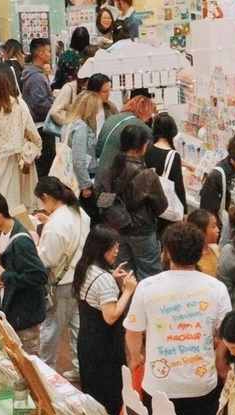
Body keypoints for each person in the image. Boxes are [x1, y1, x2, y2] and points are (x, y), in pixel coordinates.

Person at [124, 222, 232, 415]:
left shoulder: (147, 287)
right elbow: (227, 335)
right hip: (201, 382)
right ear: (200, 252)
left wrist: (136, 358)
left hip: (158, 382)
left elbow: (133, 332)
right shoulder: (216, 288)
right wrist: (219, 364)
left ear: (167, 252)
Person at [72, 225, 137, 415]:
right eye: (113, 247)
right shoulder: (104, 280)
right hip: (105, 348)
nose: (116, 251)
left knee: (92, 393)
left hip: (87, 341)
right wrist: (128, 291)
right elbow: (111, 316)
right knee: (110, 396)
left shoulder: (84, 268)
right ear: (100, 248)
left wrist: (111, 277)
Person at [34, 177, 91, 380]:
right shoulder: (79, 212)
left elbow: (48, 258)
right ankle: (80, 369)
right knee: (77, 328)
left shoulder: (56, 225)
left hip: (63, 282)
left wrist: (35, 246)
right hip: (81, 278)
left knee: (52, 328)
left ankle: (45, 370)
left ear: (46, 197)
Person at [95, 125, 168, 280]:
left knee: (124, 275)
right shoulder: (147, 175)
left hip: (117, 229)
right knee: (150, 277)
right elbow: (161, 207)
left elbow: (102, 201)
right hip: (142, 231)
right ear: (141, 146)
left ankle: (127, 297)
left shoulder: (109, 171)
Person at [0, 191, 48, 355]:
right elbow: (5, 264)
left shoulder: (21, 241)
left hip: (24, 320)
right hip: (11, 312)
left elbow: (39, 275)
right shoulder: (4, 234)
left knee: (27, 364)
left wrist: (5, 276)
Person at [0, 73, 41, 211]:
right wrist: (37, 147)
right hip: (19, 156)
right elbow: (31, 129)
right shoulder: (20, 104)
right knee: (19, 195)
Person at [65, 91, 103, 223]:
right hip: (84, 178)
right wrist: (85, 185)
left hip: (72, 177)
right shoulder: (81, 128)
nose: (97, 112)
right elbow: (79, 159)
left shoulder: (69, 124)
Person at [95, 94, 155, 177]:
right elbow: (149, 157)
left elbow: (98, 149)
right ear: (145, 111)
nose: (148, 120)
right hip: (122, 176)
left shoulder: (111, 119)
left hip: (101, 173)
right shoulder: (142, 128)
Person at [145, 112, 186, 234]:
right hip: (165, 204)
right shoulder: (173, 155)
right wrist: (184, 210)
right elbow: (178, 186)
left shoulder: (147, 149)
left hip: (149, 203)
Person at [20, 38, 55, 179]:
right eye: (48, 51)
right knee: (44, 168)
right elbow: (40, 104)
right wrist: (54, 103)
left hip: (38, 126)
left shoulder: (36, 74)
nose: (50, 54)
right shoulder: (36, 78)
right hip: (41, 128)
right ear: (41, 54)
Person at [187, 209, 220, 277]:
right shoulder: (189, 258)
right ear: (200, 231)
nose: (218, 230)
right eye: (213, 226)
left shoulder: (216, 249)